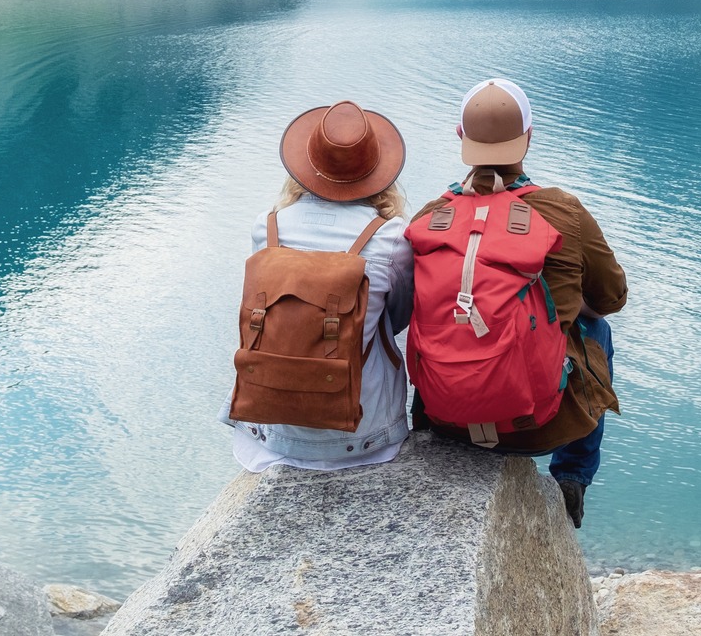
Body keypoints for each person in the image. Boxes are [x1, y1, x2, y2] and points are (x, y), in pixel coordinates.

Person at [412, 79, 625, 527]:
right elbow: (611, 298)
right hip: (537, 425)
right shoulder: (563, 210)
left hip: (445, 420)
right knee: (596, 330)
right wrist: (571, 304)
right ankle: (571, 477)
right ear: (529, 136)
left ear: (460, 137)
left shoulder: (429, 218)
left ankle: (426, 431)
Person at [223, 100, 415, 471]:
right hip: (363, 437)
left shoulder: (268, 227)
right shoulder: (391, 237)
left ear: (306, 168)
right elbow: (399, 316)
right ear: (377, 173)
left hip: (269, 433)